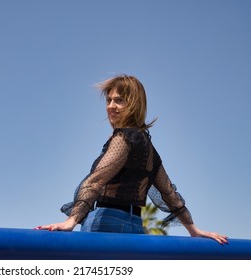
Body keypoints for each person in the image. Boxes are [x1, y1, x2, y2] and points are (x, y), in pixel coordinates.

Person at [36, 74, 228, 244]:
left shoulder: (124, 138)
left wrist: (71, 221)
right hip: (135, 226)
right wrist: (193, 230)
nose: (111, 106)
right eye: (109, 100)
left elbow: (96, 180)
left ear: (134, 104)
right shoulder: (147, 146)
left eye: (119, 100)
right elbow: (168, 192)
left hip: (106, 221)